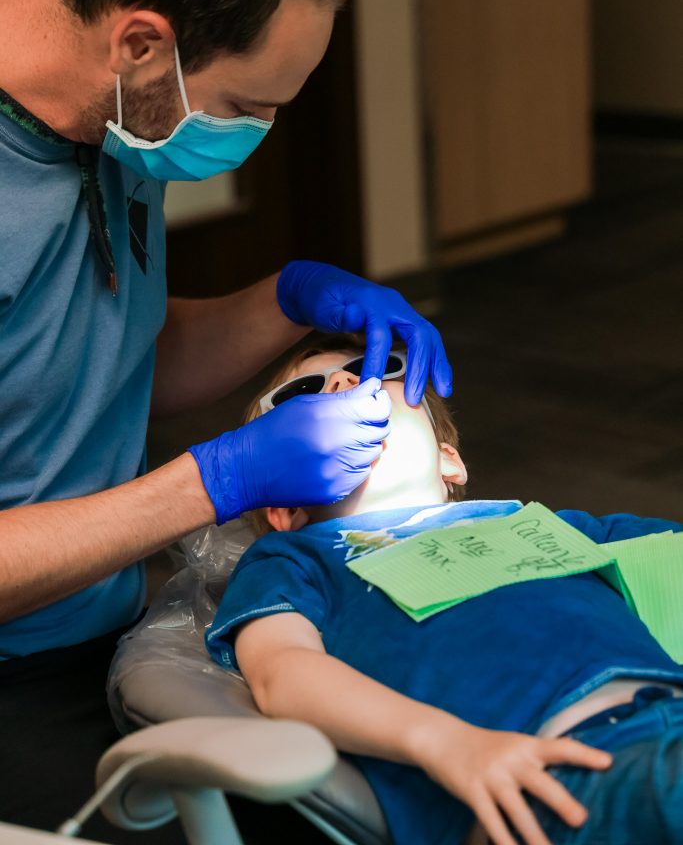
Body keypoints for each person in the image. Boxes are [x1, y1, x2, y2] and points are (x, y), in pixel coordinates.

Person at [0, 0, 453, 837]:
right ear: (141, 43)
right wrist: (214, 480)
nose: (258, 132)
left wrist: (289, 300)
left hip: (108, 625)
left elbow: (98, 362)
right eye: (247, 106)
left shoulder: (119, 121)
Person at [206, 334, 683, 845]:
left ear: (447, 459)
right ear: (284, 509)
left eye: (376, 370)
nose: (346, 382)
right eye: (304, 393)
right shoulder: (297, 559)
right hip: (547, 772)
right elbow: (282, 672)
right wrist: (447, 743)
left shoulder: (536, 523)